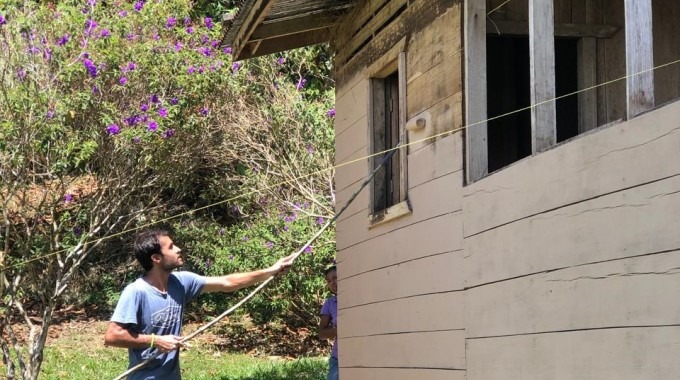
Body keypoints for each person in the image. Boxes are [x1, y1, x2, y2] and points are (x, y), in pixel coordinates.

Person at [104, 228, 294, 380]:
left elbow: (227, 283)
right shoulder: (136, 292)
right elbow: (112, 336)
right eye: (170, 247)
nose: (178, 248)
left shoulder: (181, 282)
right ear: (156, 258)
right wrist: (155, 340)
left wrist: (271, 270)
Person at [319, 265, 338, 380]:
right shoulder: (329, 303)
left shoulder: (360, 299)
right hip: (338, 358)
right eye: (329, 281)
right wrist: (339, 330)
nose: (332, 283)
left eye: (335, 278)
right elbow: (321, 334)